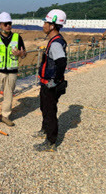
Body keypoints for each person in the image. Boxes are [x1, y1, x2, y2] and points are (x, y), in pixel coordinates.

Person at [33, 9, 68, 152]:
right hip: (46, 82)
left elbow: (61, 62)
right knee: (44, 107)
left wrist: (56, 80)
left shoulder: (55, 43)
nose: (43, 25)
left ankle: (51, 141)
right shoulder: (54, 41)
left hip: (51, 84)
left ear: (52, 25)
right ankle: (45, 129)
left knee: (50, 111)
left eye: (45, 22)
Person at [0, 12, 26, 127]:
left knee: (8, 95)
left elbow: (24, 54)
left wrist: (20, 53)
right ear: (0, 25)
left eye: (9, 23)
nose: (8, 25)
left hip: (12, 72)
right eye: (5, 24)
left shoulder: (18, 38)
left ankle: (5, 116)